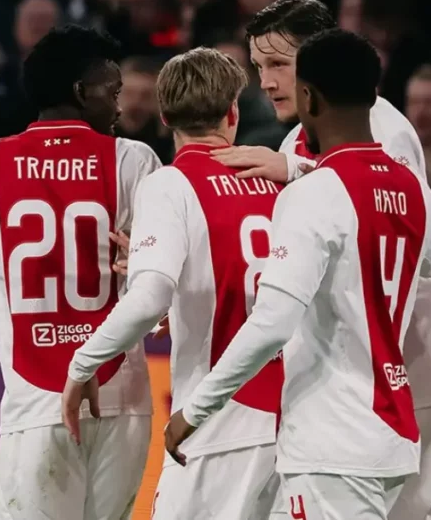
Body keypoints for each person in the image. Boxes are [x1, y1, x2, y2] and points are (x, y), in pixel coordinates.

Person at [165, 29, 431, 519]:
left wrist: (194, 410)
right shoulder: (413, 189)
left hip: (331, 438)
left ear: (308, 96)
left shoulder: (316, 192)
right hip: (393, 433)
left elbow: (272, 322)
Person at [0, 25, 159, 520]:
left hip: (37, 407)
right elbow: (157, 278)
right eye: (112, 92)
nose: (119, 106)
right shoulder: (135, 161)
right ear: (80, 92)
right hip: (124, 403)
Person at [63, 47, 282, 519]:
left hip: (216, 427)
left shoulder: (170, 184)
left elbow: (148, 299)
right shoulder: (280, 180)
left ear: (164, 116)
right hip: (291, 424)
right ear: (233, 111)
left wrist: (83, 366)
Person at [212, 0, 426, 183]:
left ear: (320, 56)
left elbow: (397, 203)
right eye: (259, 67)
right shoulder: (292, 142)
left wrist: (295, 170)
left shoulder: (380, 123)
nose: (266, 83)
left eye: (278, 64)